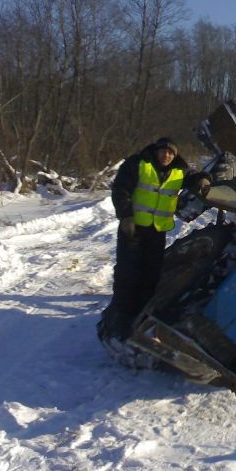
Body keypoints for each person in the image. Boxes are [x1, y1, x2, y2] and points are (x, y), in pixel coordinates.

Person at [98, 137, 210, 348]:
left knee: (151, 274)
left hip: (157, 231)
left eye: (170, 153)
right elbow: (120, 189)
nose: (166, 156)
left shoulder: (178, 171)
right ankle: (120, 318)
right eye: (163, 152)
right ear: (156, 151)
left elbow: (194, 177)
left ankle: (142, 315)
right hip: (134, 228)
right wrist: (126, 216)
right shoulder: (138, 164)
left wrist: (203, 181)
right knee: (128, 272)